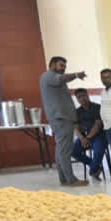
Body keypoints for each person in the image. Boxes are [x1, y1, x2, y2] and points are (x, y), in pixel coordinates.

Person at [39, 56, 88, 187]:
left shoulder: (52, 78)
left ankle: (64, 179)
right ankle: (71, 179)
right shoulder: (49, 76)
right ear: (52, 65)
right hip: (61, 118)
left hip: (61, 118)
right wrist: (77, 75)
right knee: (65, 150)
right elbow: (61, 78)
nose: (64, 68)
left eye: (65, 66)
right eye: (61, 65)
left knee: (61, 149)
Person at [70, 88, 106, 180]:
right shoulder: (77, 112)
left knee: (98, 149)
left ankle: (92, 171)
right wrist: (82, 139)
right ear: (77, 99)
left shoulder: (97, 107)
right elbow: (75, 127)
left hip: (98, 135)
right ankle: (95, 167)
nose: (82, 98)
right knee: (73, 151)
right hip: (84, 137)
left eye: (84, 95)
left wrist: (89, 138)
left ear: (88, 95)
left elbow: (97, 125)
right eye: (79, 97)